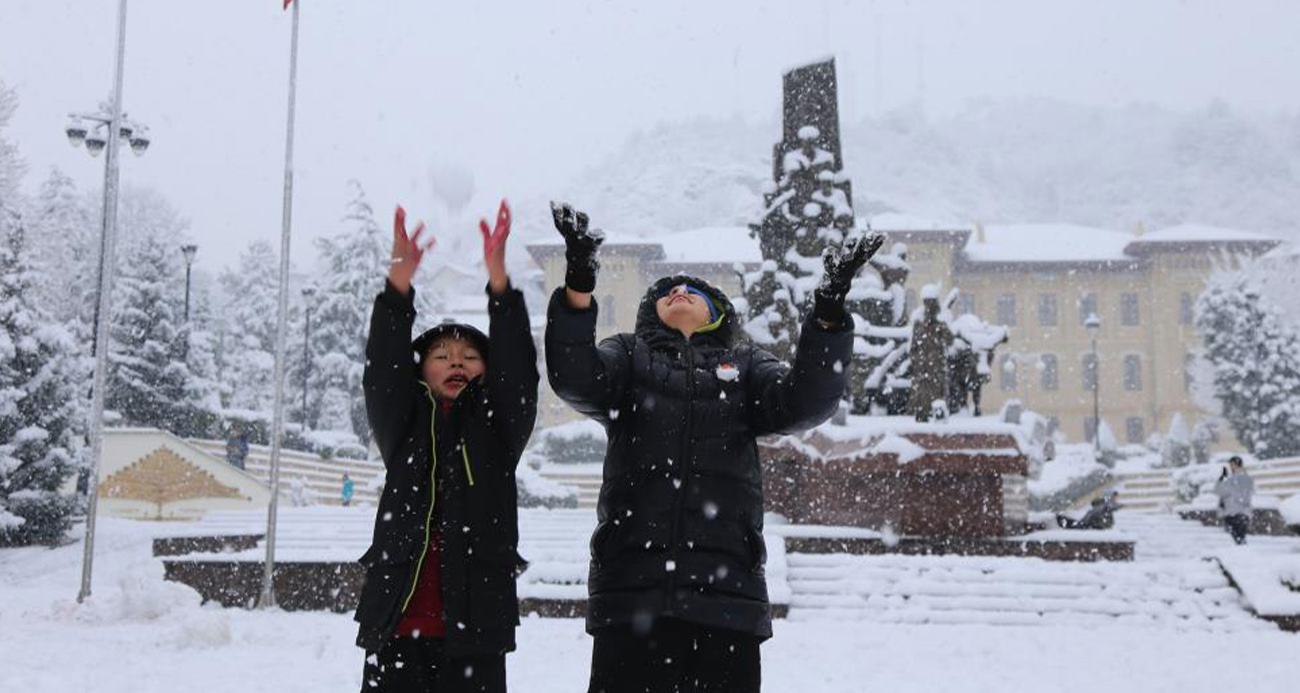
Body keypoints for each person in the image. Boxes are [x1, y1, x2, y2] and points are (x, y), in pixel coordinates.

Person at [544, 202, 879, 693]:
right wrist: (578, 283)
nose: (680, 292)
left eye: (693, 292)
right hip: (633, 590)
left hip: (727, 596)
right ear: (651, 313)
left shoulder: (744, 366)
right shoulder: (629, 356)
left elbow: (806, 402)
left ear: (717, 313)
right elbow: (573, 377)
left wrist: (829, 310)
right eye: (669, 291)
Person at [353, 201, 538, 693]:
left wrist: (499, 283)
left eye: (470, 355)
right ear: (420, 370)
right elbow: (382, 372)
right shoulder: (402, 424)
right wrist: (398, 286)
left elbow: (519, 374)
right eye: (441, 355)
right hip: (396, 624)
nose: (456, 361)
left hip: (476, 631)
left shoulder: (500, 430)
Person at [1215, 456, 1255, 545]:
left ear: (1236, 464)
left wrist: (1226, 485)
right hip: (1230, 513)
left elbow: (1244, 495)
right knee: (1237, 538)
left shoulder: (1245, 478)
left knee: (1239, 537)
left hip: (1240, 512)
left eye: (1232, 464)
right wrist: (1221, 479)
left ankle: (1243, 553)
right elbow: (1219, 491)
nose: (1230, 467)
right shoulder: (1230, 479)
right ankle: (1242, 553)